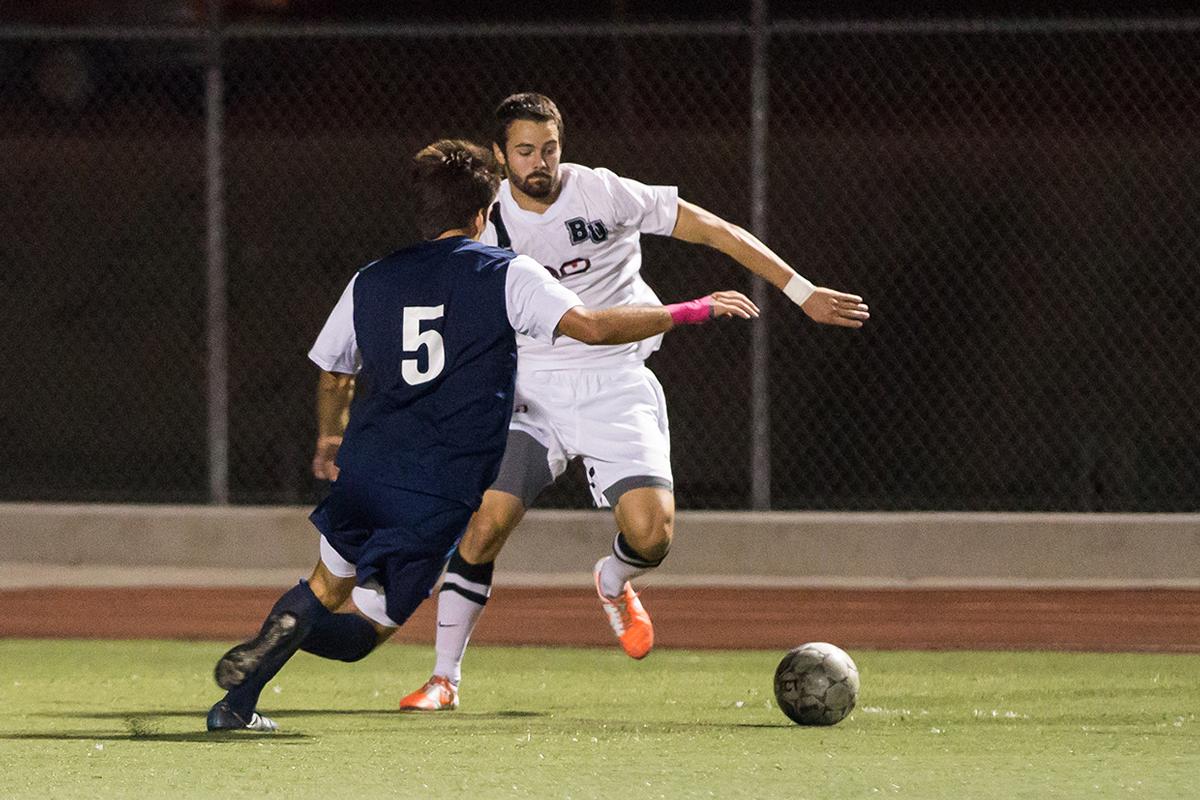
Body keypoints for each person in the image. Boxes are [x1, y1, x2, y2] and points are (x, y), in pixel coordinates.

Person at [206, 138, 757, 732]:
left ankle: (238, 701)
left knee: (323, 585)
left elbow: (336, 371)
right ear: (483, 212)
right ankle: (290, 635)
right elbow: (592, 326)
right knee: (360, 635)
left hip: (367, 467)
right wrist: (692, 310)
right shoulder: (506, 272)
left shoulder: (371, 278)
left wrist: (329, 442)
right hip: (439, 486)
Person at [374, 95, 873, 712]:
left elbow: (716, 230)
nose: (541, 163)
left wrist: (801, 291)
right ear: (500, 156)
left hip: (615, 379)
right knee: (484, 526)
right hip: (532, 390)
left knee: (653, 535)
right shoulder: (485, 217)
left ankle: (612, 581)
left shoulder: (604, 195)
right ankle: (445, 678)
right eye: (525, 151)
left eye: (550, 148)